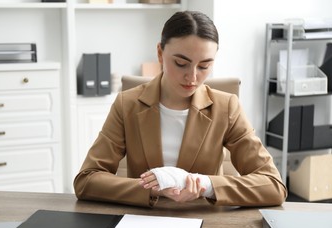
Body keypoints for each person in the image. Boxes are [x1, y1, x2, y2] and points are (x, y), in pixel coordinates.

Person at [74, 10, 287, 208]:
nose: (192, 77)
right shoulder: (127, 104)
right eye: (181, 63)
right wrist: (152, 188)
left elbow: (273, 185)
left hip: (205, 222)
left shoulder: (226, 108)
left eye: (204, 66)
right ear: (160, 53)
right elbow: (86, 180)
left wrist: (206, 185)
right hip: (143, 220)